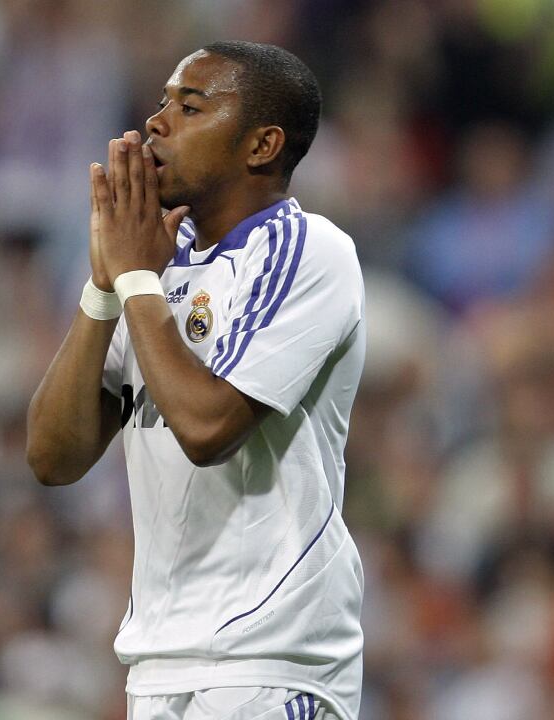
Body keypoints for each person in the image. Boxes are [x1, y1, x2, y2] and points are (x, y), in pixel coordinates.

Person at [27, 41, 365, 720]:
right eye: (161, 103)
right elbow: (53, 457)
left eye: (190, 106)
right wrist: (103, 289)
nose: (156, 122)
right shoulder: (154, 266)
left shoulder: (308, 252)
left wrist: (138, 281)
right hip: (157, 665)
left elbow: (208, 429)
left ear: (262, 145)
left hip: (269, 663)